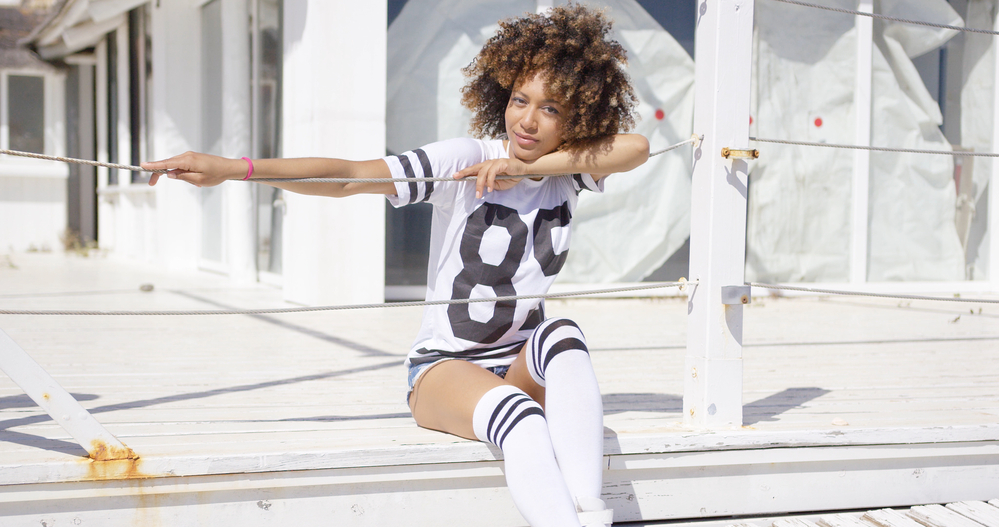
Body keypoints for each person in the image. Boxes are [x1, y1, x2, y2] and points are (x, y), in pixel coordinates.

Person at [143, 4, 648, 526]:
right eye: (520, 99)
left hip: (518, 361)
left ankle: (591, 512)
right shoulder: (464, 160)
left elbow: (637, 147)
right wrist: (231, 169)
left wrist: (528, 167)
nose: (527, 118)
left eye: (551, 109)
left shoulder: (567, 172)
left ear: (579, 118)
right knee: (521, 418)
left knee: (563, 333)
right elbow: (348, 177)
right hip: (444, 371)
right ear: (502, 92)